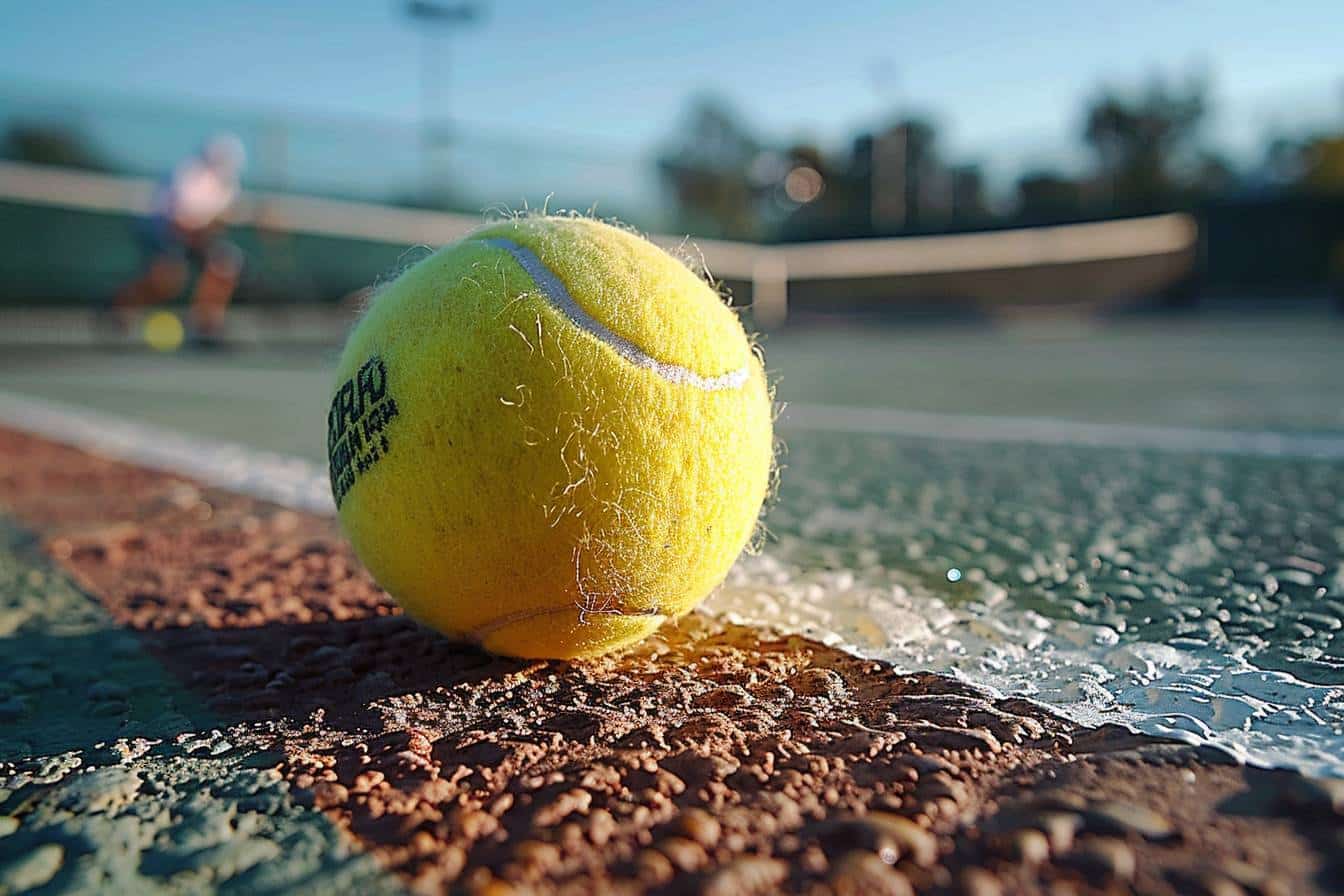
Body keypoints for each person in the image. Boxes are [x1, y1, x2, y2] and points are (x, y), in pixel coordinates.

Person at [110, 134, 246, 342]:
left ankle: (206, 325)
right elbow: (178, 223)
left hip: (196, 237)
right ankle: (120, 307)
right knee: (169, 282)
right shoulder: (187, 175)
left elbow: (219, 221)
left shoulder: (229, 184)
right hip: (159, 232)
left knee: (225, 266)